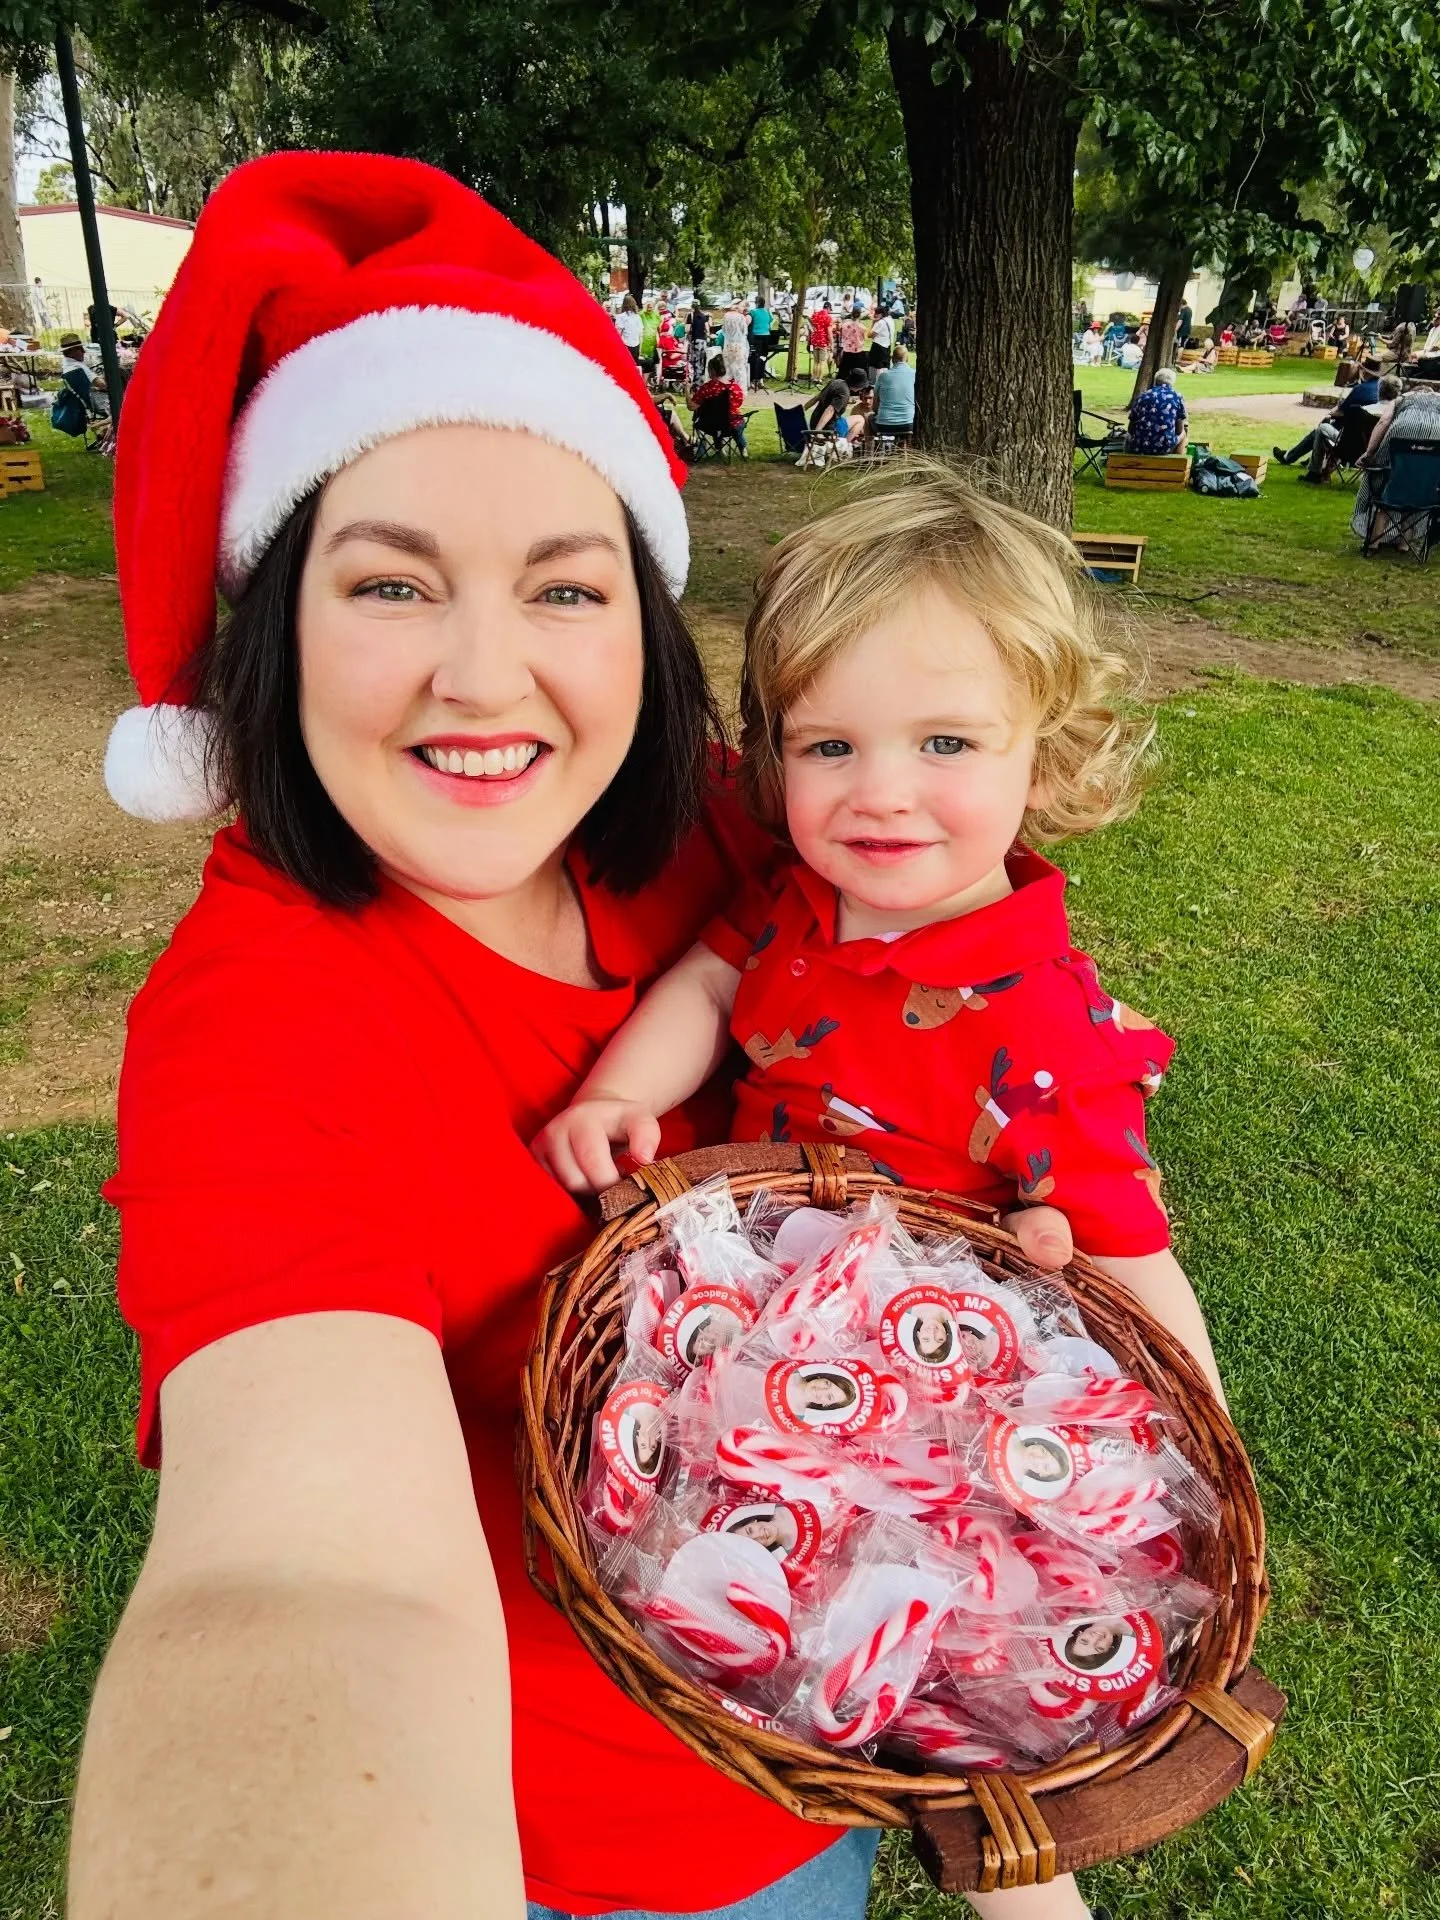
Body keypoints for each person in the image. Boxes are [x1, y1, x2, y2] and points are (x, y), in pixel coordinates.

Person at [74, 153, 1087, 1920]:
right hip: (614, 1854)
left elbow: (996, 997)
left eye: (565, 586)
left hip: (817, 1747)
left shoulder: (734, 821)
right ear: (277, 628)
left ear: (645, 622)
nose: (486, 676)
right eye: (390, 587)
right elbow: (307, 1587)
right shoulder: (253, 1033)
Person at [536, 459, 1228, 1429]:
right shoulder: (800, 894)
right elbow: (707, 983)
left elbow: (1128, 1259)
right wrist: (617, 1095)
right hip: (750, 1311)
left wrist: (1201, 1435)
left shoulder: (1043, 1034)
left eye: (944, 743)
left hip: (929, 1373)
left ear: (1046, 751)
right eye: (831, 746)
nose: (881, 793)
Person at [1351, 386, 1440, 548]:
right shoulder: (1438, 399)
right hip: (1437, 436)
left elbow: (1383, 422)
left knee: (1383, 474)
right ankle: (1404, 543)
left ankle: (1374, 540)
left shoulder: (1402, 398)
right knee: (1424, 478)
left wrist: (1369, 454)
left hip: (1401, 432)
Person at [1272, 355, 1385, 480]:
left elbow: (1340, 412)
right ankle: (1294, 457)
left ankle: (1311, 470)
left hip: (1348, 441)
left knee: (1322, 428)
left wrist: (1331, 413)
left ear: (1363, 370)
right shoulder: (1382, 391)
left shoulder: (1361, 390)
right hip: (1371, 446)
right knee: (1325, 429)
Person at [690, 352, 749, 455]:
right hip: (731, 424)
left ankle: (719, 447)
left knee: (715, 419)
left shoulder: (706, 388)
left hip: (709, 424)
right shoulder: (734, 387)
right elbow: (738, 403)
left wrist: (687, 392)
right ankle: (742, 447)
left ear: (712, 371)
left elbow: (692, 406)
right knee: (736, 421)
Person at [1125, 367, 1187, 455]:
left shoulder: (1143, 395)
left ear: (1155, 381)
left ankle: (1126, 461)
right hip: (1165, 447)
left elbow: (1131, 429)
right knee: (1184, 434)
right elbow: (1179, 430)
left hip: (1140, 446)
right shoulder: (1176, 396)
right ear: (1172, 382)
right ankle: (1176, 465)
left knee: (1127, 437)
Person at [871, 343, 915, 436]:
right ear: (907, 359)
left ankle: (870, 447)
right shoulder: (914, 374)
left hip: (884, 424)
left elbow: (875, 404)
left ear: (892, 359)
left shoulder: (883, 376)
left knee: (869, 418)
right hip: (908, 423)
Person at [722, 299, 750, 391]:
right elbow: (744, 331)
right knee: (740, 368)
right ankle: (740, 389)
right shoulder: (741, 317)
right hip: (739, 345)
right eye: (742, 306)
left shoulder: (726, 316)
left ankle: (727, 387)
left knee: (728, 367)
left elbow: (724, 331)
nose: (743, 308)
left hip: (728, 345)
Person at [837, 305, 867, 382]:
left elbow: (842, 335)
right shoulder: (862, 327)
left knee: (844, 372)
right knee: (858, 372)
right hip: (858, 351)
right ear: (860, 315)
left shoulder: (844, 325)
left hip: (847, 350)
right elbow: (864, 338)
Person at [807, 300, 834, 382]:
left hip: (815, 340)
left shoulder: (815, 315)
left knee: (816, 361)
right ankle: (819, 379)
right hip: (823, 342)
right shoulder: (828, 317)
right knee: (822, 361)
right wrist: (832, 343)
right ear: (828, 308)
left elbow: (810, 327)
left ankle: (814, 377)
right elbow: (829, 332)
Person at [614, 290, 643, 363]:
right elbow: (640, 334)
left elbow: (618, 333)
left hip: (625, 345)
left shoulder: (621, 317)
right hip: (636, 345)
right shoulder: (637, 317)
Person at [868, 305, 895, 371]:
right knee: (885, 367)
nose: (875, 315)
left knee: (875, 367)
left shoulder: (880, 323)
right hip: (887, 346)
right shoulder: (890, 320)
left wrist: (873, 323)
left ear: (881, 314)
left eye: (876, 314)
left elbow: (870, 335)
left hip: (878, 347)